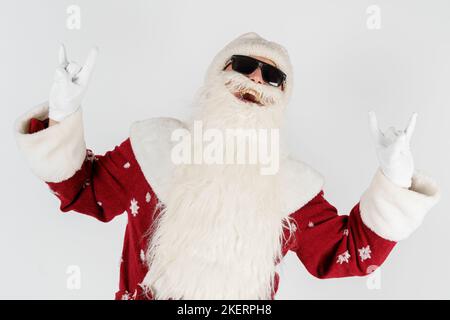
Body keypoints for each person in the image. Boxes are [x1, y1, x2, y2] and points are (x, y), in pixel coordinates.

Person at [14, 32, 440, 300]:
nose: (256, 79)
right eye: (243, 65)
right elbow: (84, 190)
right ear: (216, 76)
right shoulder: (156, 148)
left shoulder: (292, 189)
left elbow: (347, 253)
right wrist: (62, 115)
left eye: (273, 76)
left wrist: (394, 180)